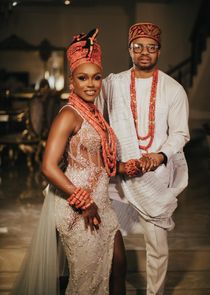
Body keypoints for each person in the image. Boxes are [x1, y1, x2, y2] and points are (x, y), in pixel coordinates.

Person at [11, 28, 128, 295]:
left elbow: (100, 162)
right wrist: (83, 202)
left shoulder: (95, 113)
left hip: (102, 204)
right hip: (79, 206)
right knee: (87, 283)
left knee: (119, 268)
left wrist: (130, 165)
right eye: (83, 78)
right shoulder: (69, 115)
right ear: (71, 81)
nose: (91, 84)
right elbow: (48, 166)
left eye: (96, 77)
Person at [96, 22, 190, 295]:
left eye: (151, 48)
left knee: (157, 247)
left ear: (159, 52)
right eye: (138, 47)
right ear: (130, 50)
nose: (144, 53)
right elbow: (93, 112)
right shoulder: (113, 84)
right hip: (119, 174)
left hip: (154, 178)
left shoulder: (173, 90)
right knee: (105, 237)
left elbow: (181, 134)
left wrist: (159, 156)